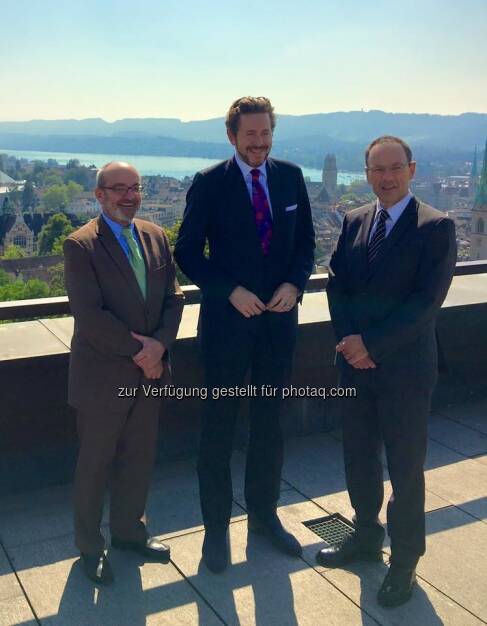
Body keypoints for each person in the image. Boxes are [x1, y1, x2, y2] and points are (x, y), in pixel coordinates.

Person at [174, 96, 315, 573]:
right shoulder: (210, 183)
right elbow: (188, 252)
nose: (259, 142)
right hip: (226, 327)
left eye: (265, 133)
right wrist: (228, 290)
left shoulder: (291, 177)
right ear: (232, 136)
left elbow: (306, 245)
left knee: (270, 425)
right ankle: (216, 530)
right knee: (218, 429)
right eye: (250, 134)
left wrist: (295, 284)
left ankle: (264, 516)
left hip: (278, 326)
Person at [317, 136, 457, 607]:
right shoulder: (355, 220)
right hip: (355, 366)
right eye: (377, 169)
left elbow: (425, 303)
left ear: (412, 169)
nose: (386, 177)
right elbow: (337, 284)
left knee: (405, 469)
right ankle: (364, 534)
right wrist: (351, 342)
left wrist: (370, 345)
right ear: (366, 173)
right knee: (357, 457)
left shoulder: (436, 227)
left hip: (406, 371)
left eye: (395, 168)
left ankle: (405, 562)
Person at [64, 161, 184, 584]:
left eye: (136, 188)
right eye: (119, 189)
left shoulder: (154, 235)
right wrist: (144, 351)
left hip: (149, 375)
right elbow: (89, 316)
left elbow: (174, 297)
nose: (129, 196)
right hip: (104, 379)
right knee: (94, 465)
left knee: (139, 458)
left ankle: (130, 532)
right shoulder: (80, 245)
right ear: (100, 195)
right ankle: (89, 547)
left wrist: (161, 346)